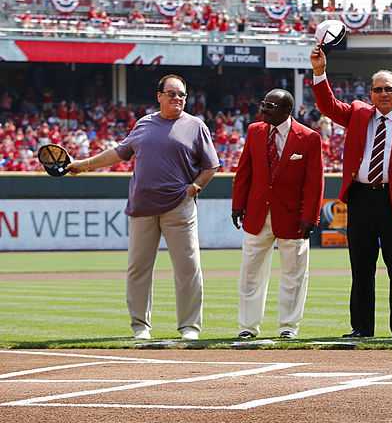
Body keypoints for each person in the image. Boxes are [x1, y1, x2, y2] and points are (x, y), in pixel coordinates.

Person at [68, 74, 219, 340]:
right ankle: (140, 326)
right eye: (172, 93)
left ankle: (189, 327)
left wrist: (194, 188)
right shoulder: (144, 124)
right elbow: (119, 152)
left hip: (179, 206)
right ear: (159, 96)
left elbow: (211, 165)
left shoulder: (196, 126)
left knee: (188, 267)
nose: (177, 98)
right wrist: (83, 165)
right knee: (138, 269)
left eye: (182, 94)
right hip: (143, 206)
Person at [310, 48, 392, 339]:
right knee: (361, 268)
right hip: (362, 198)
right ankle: (361, 328)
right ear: (370, 94)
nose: (383, 94)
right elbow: (327, 106)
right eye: (378, 89)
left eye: (388, 89)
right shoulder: (357, 113)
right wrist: (319, 72)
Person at [231, 89, 324, 340]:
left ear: (287, 110)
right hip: (256, 214)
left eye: (270, 106)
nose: (264, 109)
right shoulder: (254, 131)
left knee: (294, 274)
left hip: (293, 217)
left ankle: (288, 327)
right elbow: (244, 171)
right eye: (264, 104)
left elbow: (314, 182)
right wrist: (237, 205)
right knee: (250, 272)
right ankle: (247, 327)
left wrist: (311, 216)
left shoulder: (309, 138)